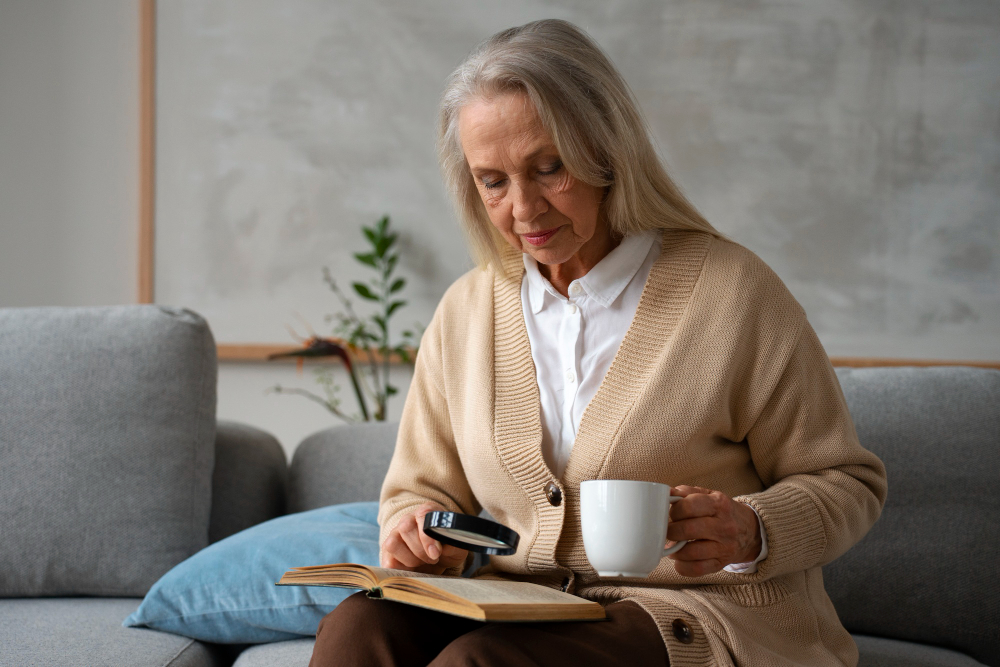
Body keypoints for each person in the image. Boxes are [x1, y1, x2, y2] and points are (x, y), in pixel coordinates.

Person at [310, 19, 887, 667]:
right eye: (493, 180)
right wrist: (417, 531)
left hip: (694, 613)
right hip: (517, 605)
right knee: (359, 626)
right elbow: (420, 492)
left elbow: (846, 480)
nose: (523, 209)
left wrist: (752, 527)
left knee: (482, 663)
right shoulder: (465, 311)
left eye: (548, 167)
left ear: (607, 150)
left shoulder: (733, 292)